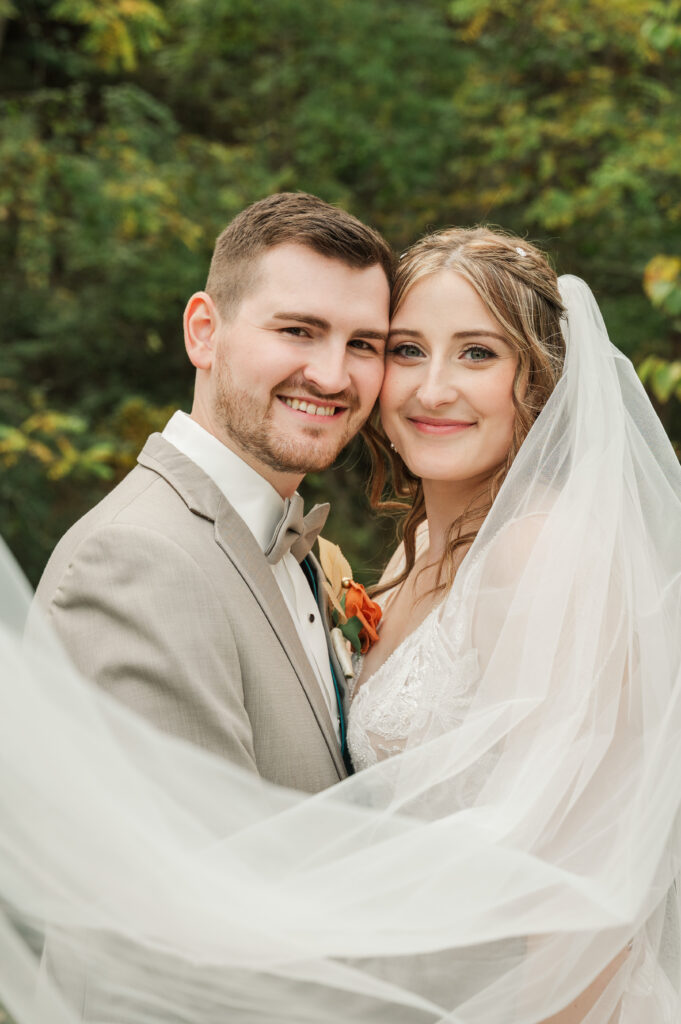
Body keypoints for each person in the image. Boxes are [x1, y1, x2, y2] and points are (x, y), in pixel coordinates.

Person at [1, 224, 680, 1024]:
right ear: (203, 332)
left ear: (535, 380)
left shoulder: (541, 556)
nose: (430, 388)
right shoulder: (391, 560)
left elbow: (581, 905)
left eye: (476, 353)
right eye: (403, 350)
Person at [32, 191, 393, 793]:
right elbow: (196, 876)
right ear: (204, 332)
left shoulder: (309, 559)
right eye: (298, 330)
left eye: (363, 344)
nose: (332, 376)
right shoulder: (136, 559)